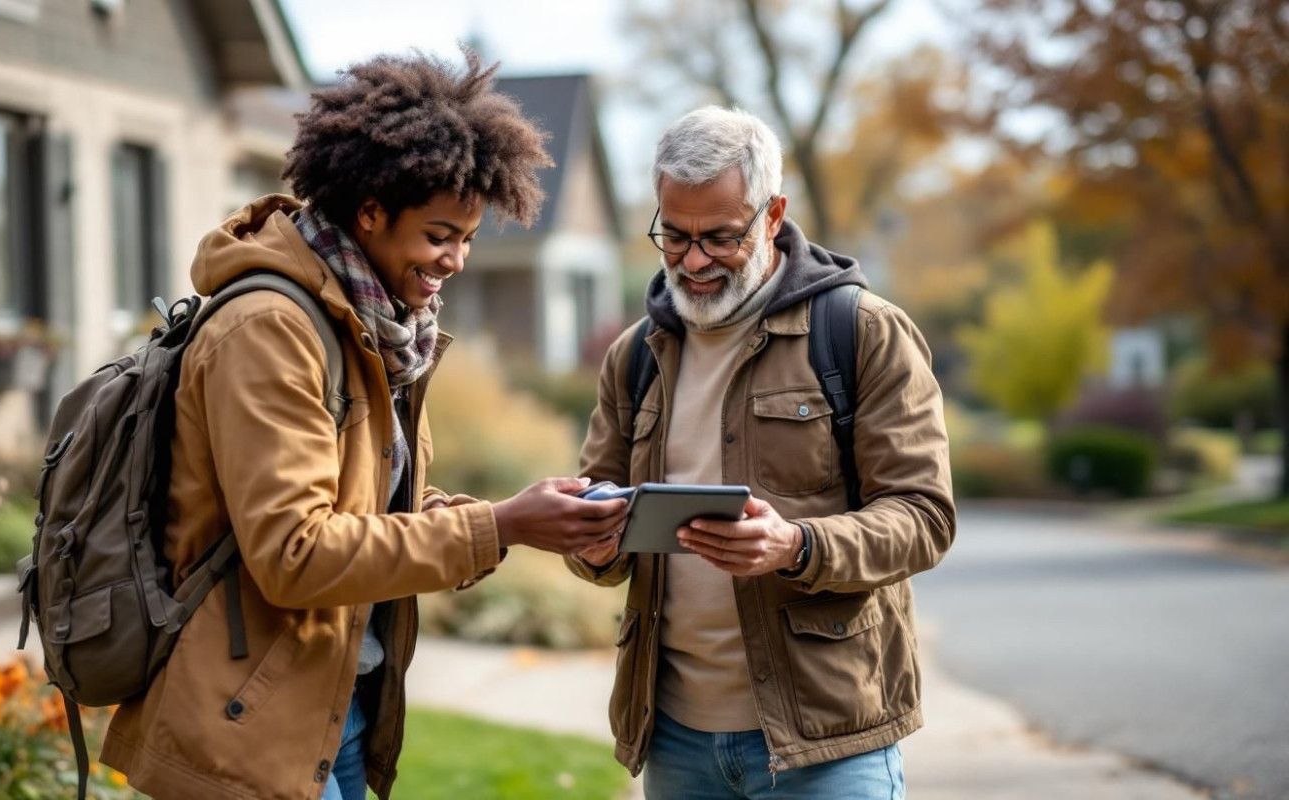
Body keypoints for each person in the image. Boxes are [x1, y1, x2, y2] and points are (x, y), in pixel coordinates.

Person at [100, 50, 629, 800]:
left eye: (469, 238)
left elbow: (367, 514)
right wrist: (502, 526)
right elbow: (296, 553)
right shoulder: (271, 329)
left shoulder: (370, 325)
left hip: (327, 709)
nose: (457, 260)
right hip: (245, 726)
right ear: (371, 208)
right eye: (441, 234)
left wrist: (503, 516)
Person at [567, 106, 956, 799]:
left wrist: (798, 545)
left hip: (829, 741)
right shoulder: (634, 357)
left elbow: (924, 517)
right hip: (676, 736)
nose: (692, 260)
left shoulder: (862, 332)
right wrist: (591, 543)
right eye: (673, 236)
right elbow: (598, 513)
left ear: (772, 215)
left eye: (719, 237)